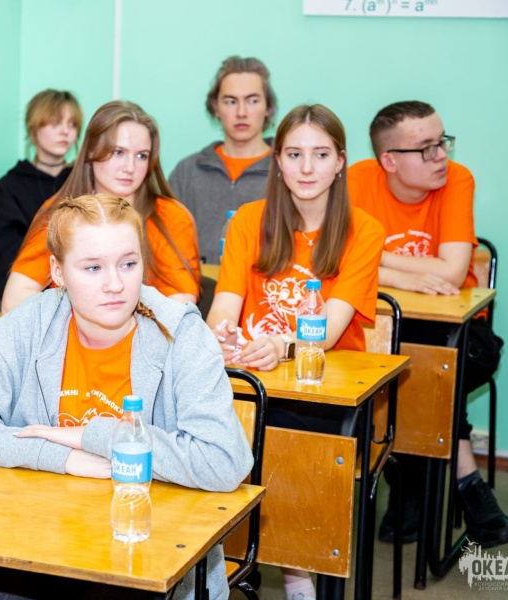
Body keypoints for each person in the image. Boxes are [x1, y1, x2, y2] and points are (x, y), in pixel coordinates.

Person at [0, 194, 252, 600]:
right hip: (39, 543)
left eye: (128, 264)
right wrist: (61, 457)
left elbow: (224, 461)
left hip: (150, 550)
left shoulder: (181, 334)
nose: (115, 284)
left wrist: (92, 436)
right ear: (57, 271)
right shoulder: (29, 324)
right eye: (93, 268)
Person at [206, 104, 384, 600]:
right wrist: (220, 335)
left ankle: (295, 570)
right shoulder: (249, 220)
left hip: (320, 388)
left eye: (320, 155)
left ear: (341, 162)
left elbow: (328, 330)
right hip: (251, 377)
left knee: (283, 439)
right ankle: (221, 562)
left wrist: (280, 344)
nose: (307, 168)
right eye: (294, 154)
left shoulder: (364, 230)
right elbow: (224, 305)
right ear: (278, 161)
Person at [347, 100, 508, 548]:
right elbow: (335, 260)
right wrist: (405, 275)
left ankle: (409, 485)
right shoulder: (356, 181)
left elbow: (453, 270)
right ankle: (467, 484)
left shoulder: (456, 180)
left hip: (460, 330)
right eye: (426, 148)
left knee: (426, 369)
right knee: (406, 365)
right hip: (388, 325)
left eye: (442, 142)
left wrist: (376, 260)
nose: (441, 155)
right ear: (389, 161)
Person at [1, 100, 200, 313]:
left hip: (147, 331)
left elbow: (180, 305)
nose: (130, 167)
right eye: (118, 152)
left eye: (141, 156)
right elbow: (14, 299)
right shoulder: (60, 213)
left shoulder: (170, 216)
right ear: (90, 152)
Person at [169, 55, 277, 264]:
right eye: (231, 101)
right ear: (216, 108)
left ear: (268, 108)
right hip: (196, 284)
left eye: (252, 101)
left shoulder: (287, 171)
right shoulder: (187, 172)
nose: (241, 112)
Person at [0, 89, 83, 309]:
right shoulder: (9, 188)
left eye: (72, 124)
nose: (65, 131)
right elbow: (3, 268)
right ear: (33, 127)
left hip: (80, 298)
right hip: (19, 299)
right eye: (55, 122)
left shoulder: (83, 183)